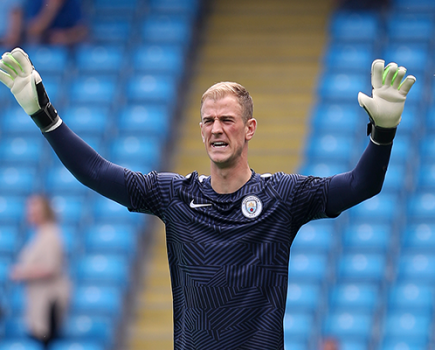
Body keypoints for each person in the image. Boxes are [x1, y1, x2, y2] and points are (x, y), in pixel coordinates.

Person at [0, 48, 415, 349]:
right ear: (200, 131)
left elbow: (363, 184)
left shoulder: (283, 196)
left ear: (249, 128)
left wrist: (383, 133)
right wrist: (45, 116)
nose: (217, 128)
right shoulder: (173, 195)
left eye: (227, 120)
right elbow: (97, 173)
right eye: (208, 121)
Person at [9, 194, 71, 349]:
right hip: (39, 300)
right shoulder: (40, 234)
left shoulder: (50, 236)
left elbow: (51, 268)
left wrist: (23, 272)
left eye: (34, 210)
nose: (29, 213)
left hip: (48, 301)